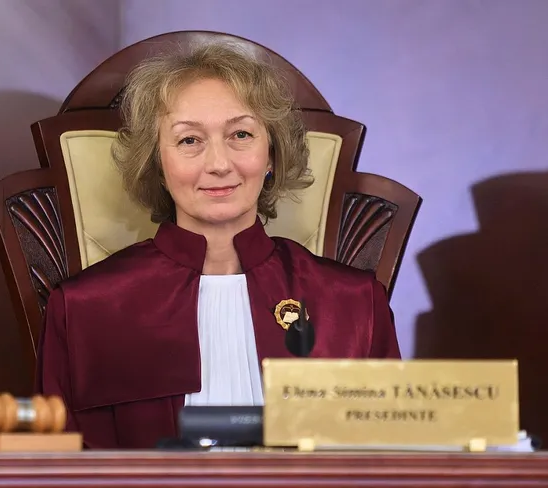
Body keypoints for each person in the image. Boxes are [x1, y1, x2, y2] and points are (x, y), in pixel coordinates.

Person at [35, 43, 401, 449]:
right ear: (158, 164)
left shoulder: (354, 304)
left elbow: (388, 461)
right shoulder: (83, 309)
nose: (219, 164)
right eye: (189, 140)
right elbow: (58, 465)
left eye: (240, 134)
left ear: (271, 156)